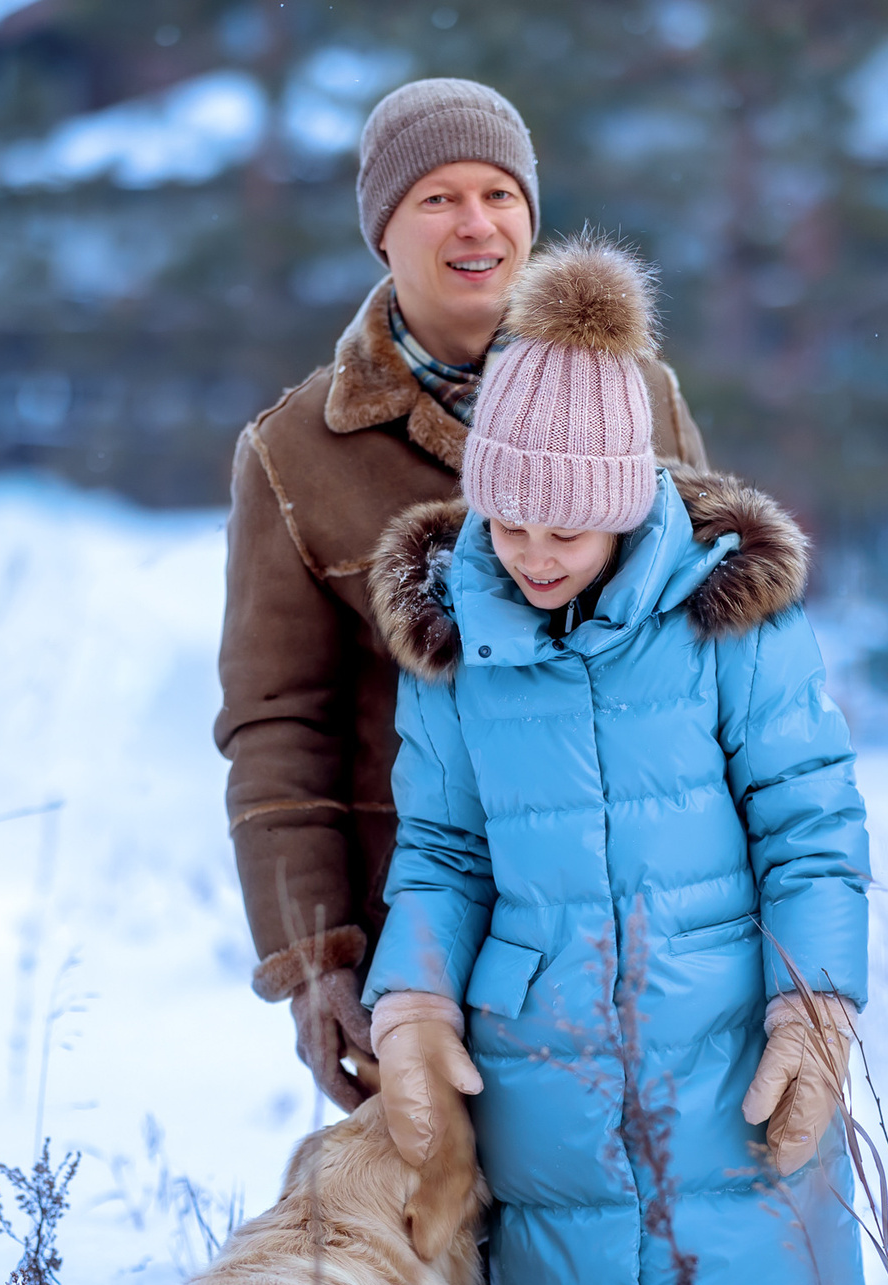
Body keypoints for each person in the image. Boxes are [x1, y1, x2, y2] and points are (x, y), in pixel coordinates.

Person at [358, 237, 868, 1285]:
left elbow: (809, 821)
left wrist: (813, 1007)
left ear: (631, 497)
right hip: (546, 1053)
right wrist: (412, 1006)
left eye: (568, 526)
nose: (532, 552)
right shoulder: (457, 643)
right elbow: (443, 852)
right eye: (509, 520)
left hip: (723, 1036)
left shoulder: (726, 619)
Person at [216, 78, 706, 1110]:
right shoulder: (297, 452)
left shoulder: (637, 393)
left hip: (637, 915)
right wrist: (316, 963)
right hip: (428, 936)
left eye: (499, 193)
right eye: (436, 198)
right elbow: (277, 726)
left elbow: (702, 647)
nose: (476, 224)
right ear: (383, 232)